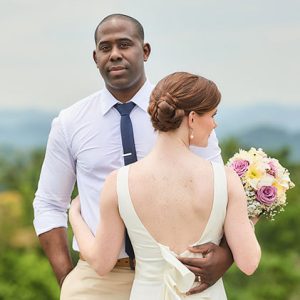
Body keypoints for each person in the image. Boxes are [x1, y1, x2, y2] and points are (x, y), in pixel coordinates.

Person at [33, 14, 233, 300]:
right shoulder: (70, 122)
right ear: (95, 57)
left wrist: (225, 256)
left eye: (125, 44)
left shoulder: (185, 114)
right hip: (99, 277)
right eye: (105, 48)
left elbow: (221, 191)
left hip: (176, 275)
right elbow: (49, 203)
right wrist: (67, 278)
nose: (115, 54)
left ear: (145, 51)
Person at [69, 72, 261, 299]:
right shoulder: (226, 179)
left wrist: (74, 215)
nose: (214, 124)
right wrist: (251, 218)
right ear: (191, 119)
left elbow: (101, 264)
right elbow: (249, 262)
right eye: (212, 115)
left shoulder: (118, 182)